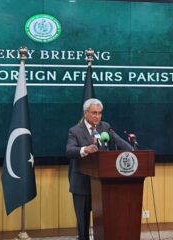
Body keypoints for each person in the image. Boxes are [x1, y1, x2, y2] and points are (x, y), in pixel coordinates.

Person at [66, 98, 132, 240]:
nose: (97, 116)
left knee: (104, 221)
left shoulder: (105, 127)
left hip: (102, 184)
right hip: (81, 183)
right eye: (94, 113)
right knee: (83, 223)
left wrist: (132, 151)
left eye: (100, 113)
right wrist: (85, 149)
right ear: (86, 113)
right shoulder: (75, 131)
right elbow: (69, 151)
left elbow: (118, 141)